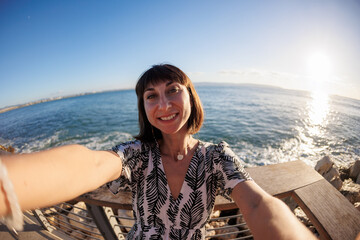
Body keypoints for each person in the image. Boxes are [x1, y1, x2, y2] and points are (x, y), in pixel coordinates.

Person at [0, 64, 316, 239]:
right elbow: (92, 164)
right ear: (144, 107)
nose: (163, 104)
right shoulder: (137, 154)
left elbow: (259, 205)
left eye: (173, 90)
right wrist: (9, 181)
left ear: (191, 97)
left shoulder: (216, 157)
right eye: (151, 96)